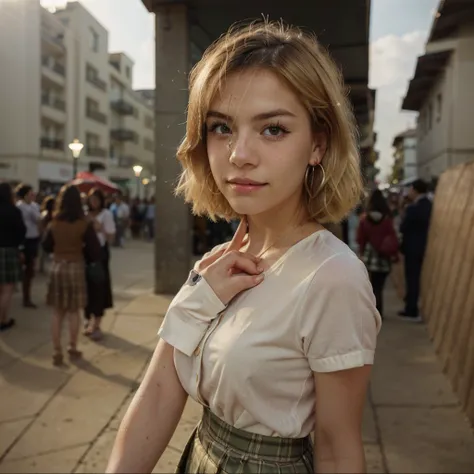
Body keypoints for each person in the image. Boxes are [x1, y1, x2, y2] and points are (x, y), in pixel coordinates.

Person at [107, 22, 381, 474]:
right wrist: (196, 301)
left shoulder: (333, 277)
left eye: (272, 129)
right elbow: (158, 392)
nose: (239, 154)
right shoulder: (218, 262)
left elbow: (338, 447)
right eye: (221, 127)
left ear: (318, 143)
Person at [42, 185, 101, 366]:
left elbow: (45, 246)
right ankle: (72, 347)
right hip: (75, 266)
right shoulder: (84, 224)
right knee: (74, 311)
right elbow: (95, 251)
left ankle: (56, 351)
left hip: (57, 267)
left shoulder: (54, 222)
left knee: (57, 311)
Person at [357, 190, 399, 318]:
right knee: (379, 286)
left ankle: (374, 311)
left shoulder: (365, 219)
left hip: (370, 255)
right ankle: (379, 311)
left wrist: (362, 252)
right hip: (383, 256)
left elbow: (360, 238)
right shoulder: (387, 219)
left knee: (372, 285)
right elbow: (392, 236)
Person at [84, 188, 116, 341]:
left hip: (100, 254)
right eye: (91, 199)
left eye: (96, 199)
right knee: (86, 288)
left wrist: (99, 227)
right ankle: (87, 318)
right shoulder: (85, 214)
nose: (94, 202)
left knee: (99, 287)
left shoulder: (106, 214)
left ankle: (96, 323)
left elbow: (110, 237)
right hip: (85, 254)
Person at [399, 179, 432, 320]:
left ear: (415, 190)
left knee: (412, 278)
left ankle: (411, 308)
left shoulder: (414, 208)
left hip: (413, 247)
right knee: (414, 278)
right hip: (421, 246)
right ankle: (411, 306)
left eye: (411, 189)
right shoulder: (428, 205)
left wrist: (405, 208)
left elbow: (403, 227)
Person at [0, 183, 26, 331]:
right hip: (9, 251)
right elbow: (21, 232)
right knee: (7, 289)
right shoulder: (14, 211)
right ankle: (3, 320)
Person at [15, 183, 41, 308]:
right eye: (30, 193)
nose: (32, 196)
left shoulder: (35, 206)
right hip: (24, 240)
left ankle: (27, 296)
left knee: (30, 270)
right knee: (24, 268)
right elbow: (36, 219)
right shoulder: (20, 207)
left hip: (34, 239)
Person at [38, 195, 55, 274]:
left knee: (44, 254)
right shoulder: (45, 214)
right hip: (46, 235)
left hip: (47, 235)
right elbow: (41, 225)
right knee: (43, 253)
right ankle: (42, 268)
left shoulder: (48, 214)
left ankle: (42, 267)